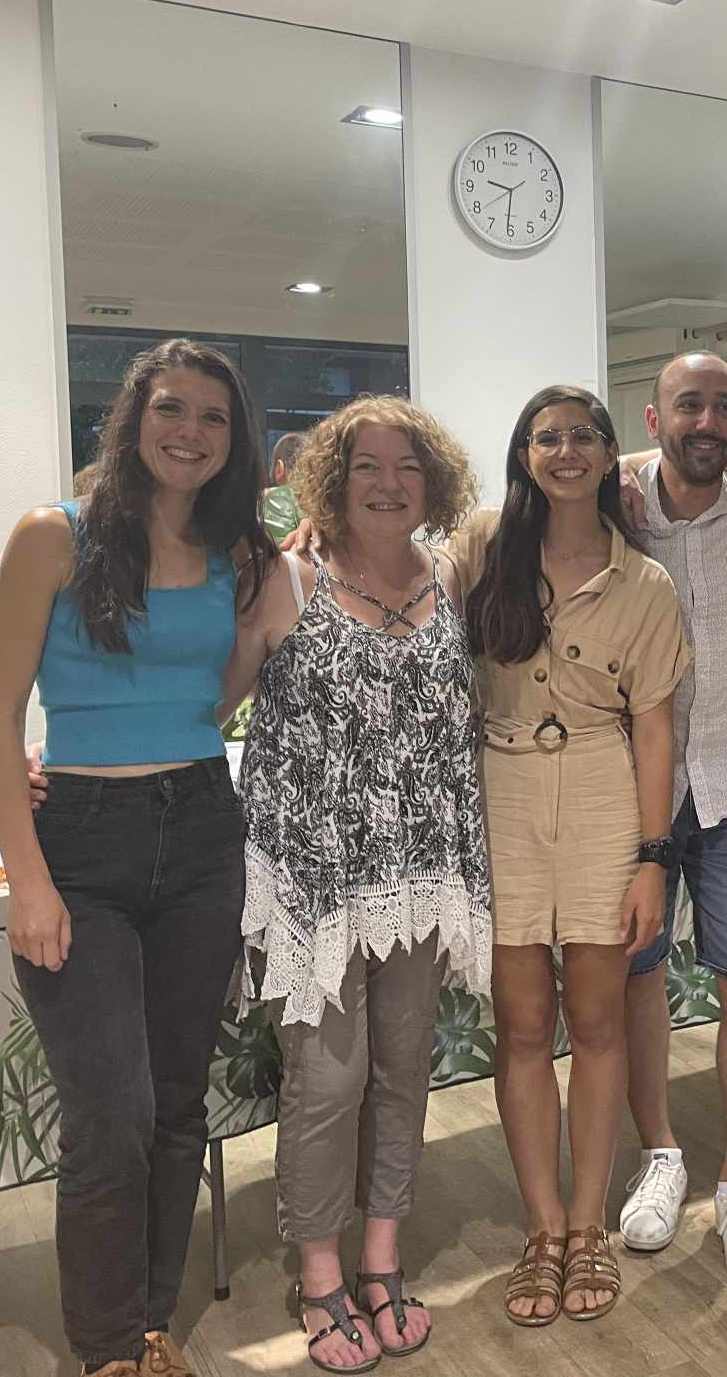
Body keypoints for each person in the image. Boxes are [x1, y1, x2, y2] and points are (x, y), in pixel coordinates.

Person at [0, 339, 274, 1377]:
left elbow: (209, 701)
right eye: (171, 409)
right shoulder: (52, 535)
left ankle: (150, 1323)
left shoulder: (236, 553)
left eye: (213, 417)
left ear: (235, 440)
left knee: (179, 1099)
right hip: (82, 843)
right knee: (112, 1113)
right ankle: (104, 1349)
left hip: (200, 828)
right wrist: (27, 877)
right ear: (134, 419)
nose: (190, 433)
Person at [229, 398, 490, 1370]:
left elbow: (595, 477)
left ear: (434, 482)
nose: (388, 483)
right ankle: (319, 1275)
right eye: (366, 466)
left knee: (403, 1071)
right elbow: (207, 700)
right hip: (317, 884)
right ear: (331, 482)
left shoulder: (449, 575)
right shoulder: (289, 577)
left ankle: (382, 1258)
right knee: (328, 1082)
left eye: (407, 466)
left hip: (420, 875)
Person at [454, 385, 687, 1327]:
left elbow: (655, 731)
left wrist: (651, 859)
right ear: (525, 454)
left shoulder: (644, 582)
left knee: (596, 1020)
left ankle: (589, 1225)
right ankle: (541, 1230)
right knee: (521, 1025)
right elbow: (396, 577)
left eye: (583, 436)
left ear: (609, 453)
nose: (565, 452)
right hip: (501, 785)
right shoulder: (482, 548)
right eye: (547, 438)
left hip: (601, 786)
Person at [616, 352, 727, 1288]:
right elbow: (498, 527)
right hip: (630, 794)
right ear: (655, 419)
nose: (708, 422)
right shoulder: (609, 503)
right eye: (690, 405)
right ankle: (661, 1157)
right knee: (637, 979)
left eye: (725, 406)